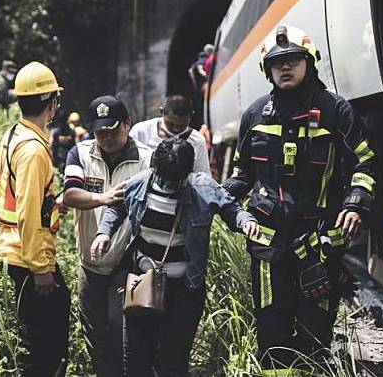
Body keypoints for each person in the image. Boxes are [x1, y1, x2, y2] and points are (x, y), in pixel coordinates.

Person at [223, 25, 377, 372]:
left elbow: (365, 161)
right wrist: (221, 203)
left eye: (293, 59)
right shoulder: (254, 116)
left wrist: (355, 202)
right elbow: (242, 176)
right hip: (267, 248)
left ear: (310, 62)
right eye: (277, 63)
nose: (285, 67)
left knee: (314, 335)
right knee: (272, 334)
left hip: (318, 248)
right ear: (267, 70)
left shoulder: (336, 110)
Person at [91, 138, 259, 377]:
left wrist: (247, 221)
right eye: (164, 178)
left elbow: (231, 209)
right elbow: (117, 207)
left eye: (175, 180)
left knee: (173, 361)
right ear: (155, 168)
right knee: (137, 358)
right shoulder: (140, 184)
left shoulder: (202, 187)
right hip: (143, 282)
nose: (169, 184)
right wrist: (104, 233)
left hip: (184, 290)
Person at [62, 96, 152, 377]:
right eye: (101, 132)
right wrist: (103, 198)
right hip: (89, 264)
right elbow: (70, 194)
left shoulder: (147, 160)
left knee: (120, 332)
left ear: (128, 124)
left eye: (114, 130)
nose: (108, 138)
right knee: (95, 335)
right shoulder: (80, 153)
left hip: (126, 265)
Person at [0, 61, 70, 377]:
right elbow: (26, 210)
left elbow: (22, 198)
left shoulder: (14, 133)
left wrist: (55, 203)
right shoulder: (34, 150)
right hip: (28, 258)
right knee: (46, 349)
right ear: (52, 105)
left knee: (36, 341)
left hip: (15, 250)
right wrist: (41, 269)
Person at [130, 95, 210, 174]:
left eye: (182, 125)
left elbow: (202, 176)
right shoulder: (140, 132)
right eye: (171, 124)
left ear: (191, 116)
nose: (176, 129)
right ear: (162, 112)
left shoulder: (198, 141)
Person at [187, 44, 214, 128]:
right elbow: (200, 69)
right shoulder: (203, 58)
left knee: (201, 105)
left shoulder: (203, 57)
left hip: (200, 87)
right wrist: (207, 76)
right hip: (203, 86)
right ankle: (204, 124)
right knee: (203, 104)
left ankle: (203, 123)